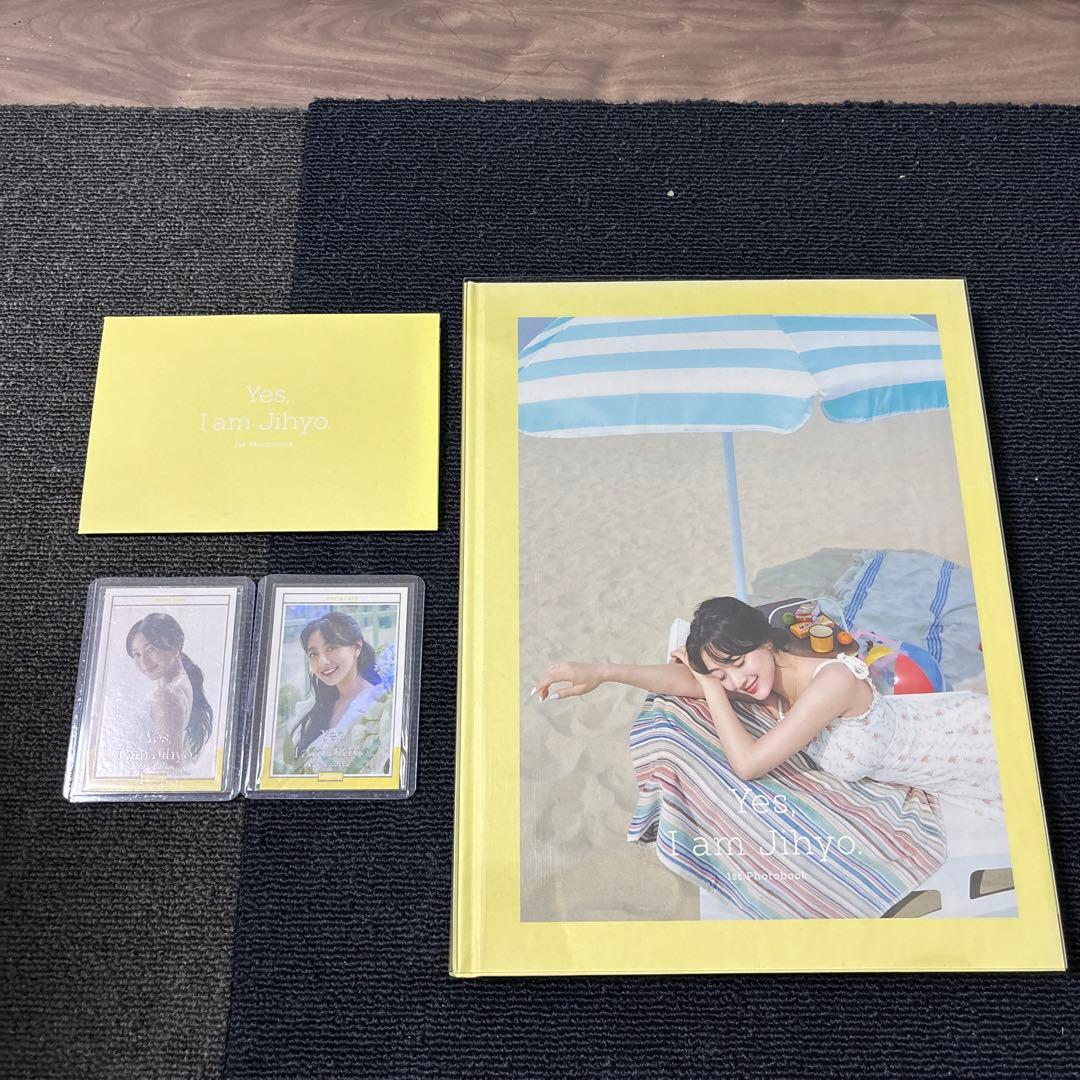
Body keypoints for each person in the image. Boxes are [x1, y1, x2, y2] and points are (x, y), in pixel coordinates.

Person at [533, 596, 1002, 806]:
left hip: (973, 743)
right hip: (934, 748)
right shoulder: (768, 677)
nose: (736, 681)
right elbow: (685, 681)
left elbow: (748, 764)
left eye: (738, 662)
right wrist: (602, 672)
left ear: (763, 640)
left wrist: (711, 683)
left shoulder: (832, 681)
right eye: (722, 673)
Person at [289, 611, 392, 775]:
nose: (322, 661)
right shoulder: (315, 706)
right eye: (313, 654)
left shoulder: (379, 704)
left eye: (331, 648)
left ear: (357, 648)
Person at [125, 613, 214, 774]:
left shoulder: (166, 697)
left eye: (150, 649)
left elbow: (168, 768)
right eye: (137, 654)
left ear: (175, 648)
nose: (143, 662)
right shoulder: (183, 683)